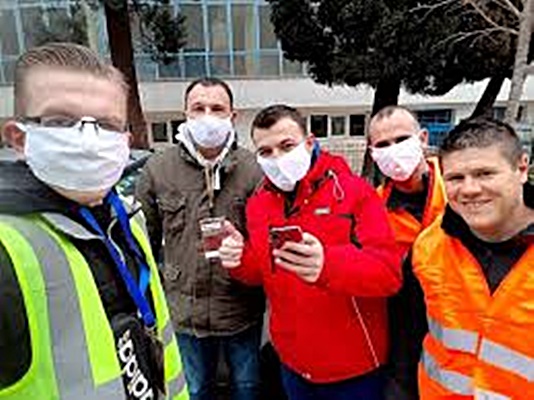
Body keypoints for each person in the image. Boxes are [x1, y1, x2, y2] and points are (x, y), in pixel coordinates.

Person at [0, 43, 188, 399]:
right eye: (61, 121)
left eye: (106, 124)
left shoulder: (127, 220)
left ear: (125, 141)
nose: (88, 140)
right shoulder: (6, 246)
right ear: (19, 138)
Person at [219, 104, 402, 400]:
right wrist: (237, 258)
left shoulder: (355, 192)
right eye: (265, 152)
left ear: (309, 142)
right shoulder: (258, 204)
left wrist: (329, 264)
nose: (277, 158)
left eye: (286, 146)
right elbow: (262, 271)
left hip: (354, 367)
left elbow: (389, 274)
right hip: (293, 363)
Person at [136, 78, 264, 400]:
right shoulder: (158, 169)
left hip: (240, 308)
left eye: (217, 108)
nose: (208, 116)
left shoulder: (254, 170)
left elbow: (265, 243)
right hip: (184, 311)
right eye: (199, 108)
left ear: (233, 116)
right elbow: (143, 243)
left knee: (247, 387)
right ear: (186, 114)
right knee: (194, 390)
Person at [412, 118, 534, 399]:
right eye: (456, 178)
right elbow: (409, 336)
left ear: (521, 169)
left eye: (484, 173)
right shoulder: (429, 247)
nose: (469, 189)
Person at [367, 106, 447, 400]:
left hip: (460, 327)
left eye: (401, 139)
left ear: (423, 138)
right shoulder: (373, 208)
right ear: (372, 153)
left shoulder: (460, 188)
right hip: (403, 336)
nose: (394, 150)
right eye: (382, 145)